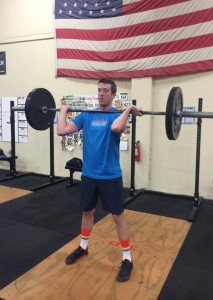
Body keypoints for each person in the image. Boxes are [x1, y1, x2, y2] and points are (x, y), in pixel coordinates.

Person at [57, 78, 143, 282]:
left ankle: (127, 258)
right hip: (89, 175)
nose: (101, 93)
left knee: (117, 217)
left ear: (113, 94)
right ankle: (83, 247)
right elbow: (61, 130)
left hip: (110, 176)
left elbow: (116, 129)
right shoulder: (87, 114)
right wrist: (63, 110)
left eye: (105, 90)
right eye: (99, 90)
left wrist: (129, 108)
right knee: (87, 211)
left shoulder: (115, 115)